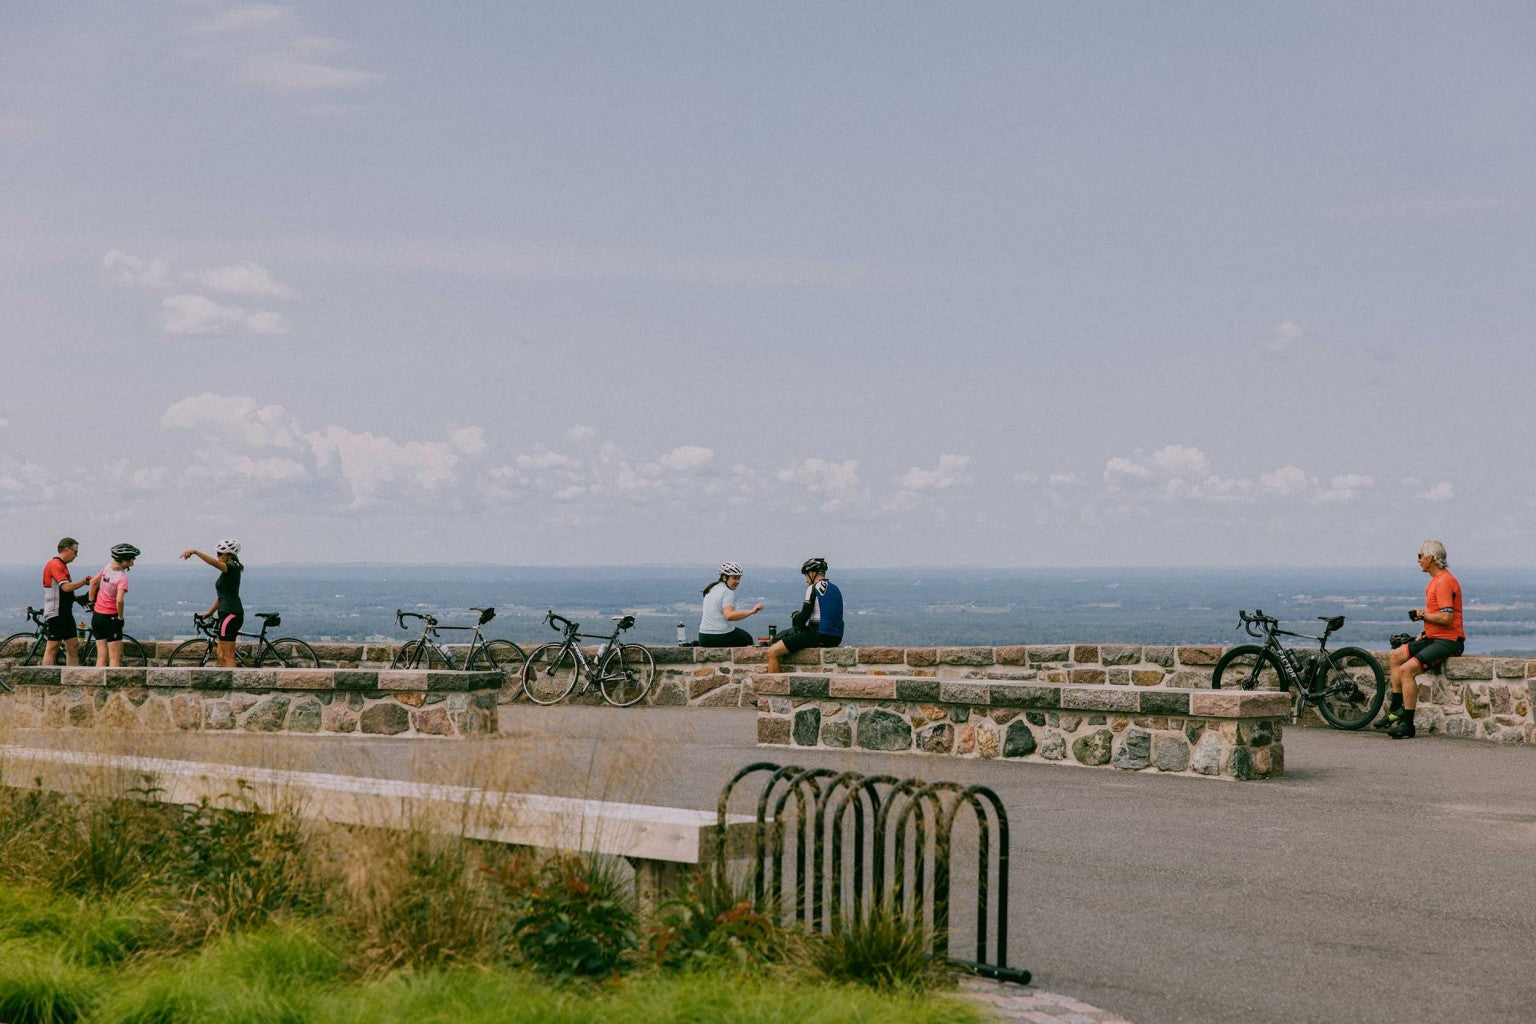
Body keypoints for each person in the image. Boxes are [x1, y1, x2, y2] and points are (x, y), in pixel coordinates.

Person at [1379, 540, 1465, 739]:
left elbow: (1446, 617)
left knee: (1407, 670)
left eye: (1420, 556)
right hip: (1434, 637)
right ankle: (1395, 710)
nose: (1418, 560)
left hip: (1448, 641)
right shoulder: (1435, 581)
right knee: (1395, 656)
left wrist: (1421, 615)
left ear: (1431, 558)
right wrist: (1425, 630)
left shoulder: (1444, 582)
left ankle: (1408, 725)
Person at [764, 557, 844, 673]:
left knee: (773, 652)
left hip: (820, 635)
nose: (806, 580)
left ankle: (774, 688)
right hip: (836, 638)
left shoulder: (812, 588)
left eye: (806, 576)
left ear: (812, 573)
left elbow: (802, 620)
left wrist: (796, 616)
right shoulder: (835, 588)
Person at [181, 539, 244, 667]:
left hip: (230, 614)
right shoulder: (228, 572)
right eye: (217, 553)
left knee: (228, 656)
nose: (218, 556)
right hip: (226, 613)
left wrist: (195, 552)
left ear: (229, 555)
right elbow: (222, 596)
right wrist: (210, 612)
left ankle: (234, 686)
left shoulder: (231, 567)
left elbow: (213, 563)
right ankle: (226, 682)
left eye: (220, 553)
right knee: (220, 655)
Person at [42, 537, 93, 666]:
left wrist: (76, 598)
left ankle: (71, 678)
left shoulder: (62, 565)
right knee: (52, 648)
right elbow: (65, 587)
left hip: (65, 612)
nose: (76, 555)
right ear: (67, 550)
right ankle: (45, 679)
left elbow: (65, 592)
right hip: (56, 612)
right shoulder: (55, 564)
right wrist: (84, 581)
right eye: (75, 552)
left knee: (73, 646)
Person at [88, 543, 139, 667]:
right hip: (111, 618)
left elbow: (93, 582)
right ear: (125, 559)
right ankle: (111, 686)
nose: (134, 560)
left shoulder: (107, 568)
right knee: (114, 658)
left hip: (97, 616)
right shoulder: (122, 577)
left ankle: (98, 684)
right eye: (132, 557)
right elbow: (119, 601)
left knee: (101, 656)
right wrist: (120, 618)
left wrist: (91, 602)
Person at [697, 561, 763, 647]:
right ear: (724, 578)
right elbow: (729, 616)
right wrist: (751, 611)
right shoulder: (727, 592)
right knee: (747, 639)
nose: (738, 581)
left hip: (704, 637)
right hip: (720, 635)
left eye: (739, 578)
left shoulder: (712, 588)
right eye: (734, 578)